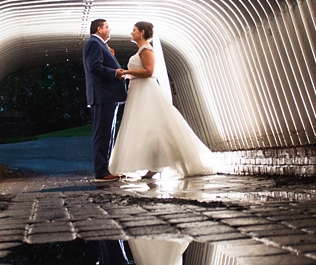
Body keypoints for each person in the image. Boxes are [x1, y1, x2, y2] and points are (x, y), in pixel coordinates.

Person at [108, 21, 216, 178]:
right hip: (138, 90)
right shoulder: (141, 50)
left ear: (142, 32)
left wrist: (126, 71)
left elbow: (149, 71)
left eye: (134, 30)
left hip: (146, 91)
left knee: (153, 126)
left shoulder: (146, 49)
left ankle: (159, 164)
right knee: (146, 128)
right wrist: (127, 73)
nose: (132, 33)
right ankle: (153, 165)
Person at [82, 18, 128, 182]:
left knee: (108, 134)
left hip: (108, 96)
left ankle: (106, 169)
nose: (109, 30)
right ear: (99, 29)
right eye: (107, 27)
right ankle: (101, 172)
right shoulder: (94, 43)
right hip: (103, 95)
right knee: (103, 135)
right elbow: (95, 67)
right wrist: (115, 73)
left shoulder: (99, 44)